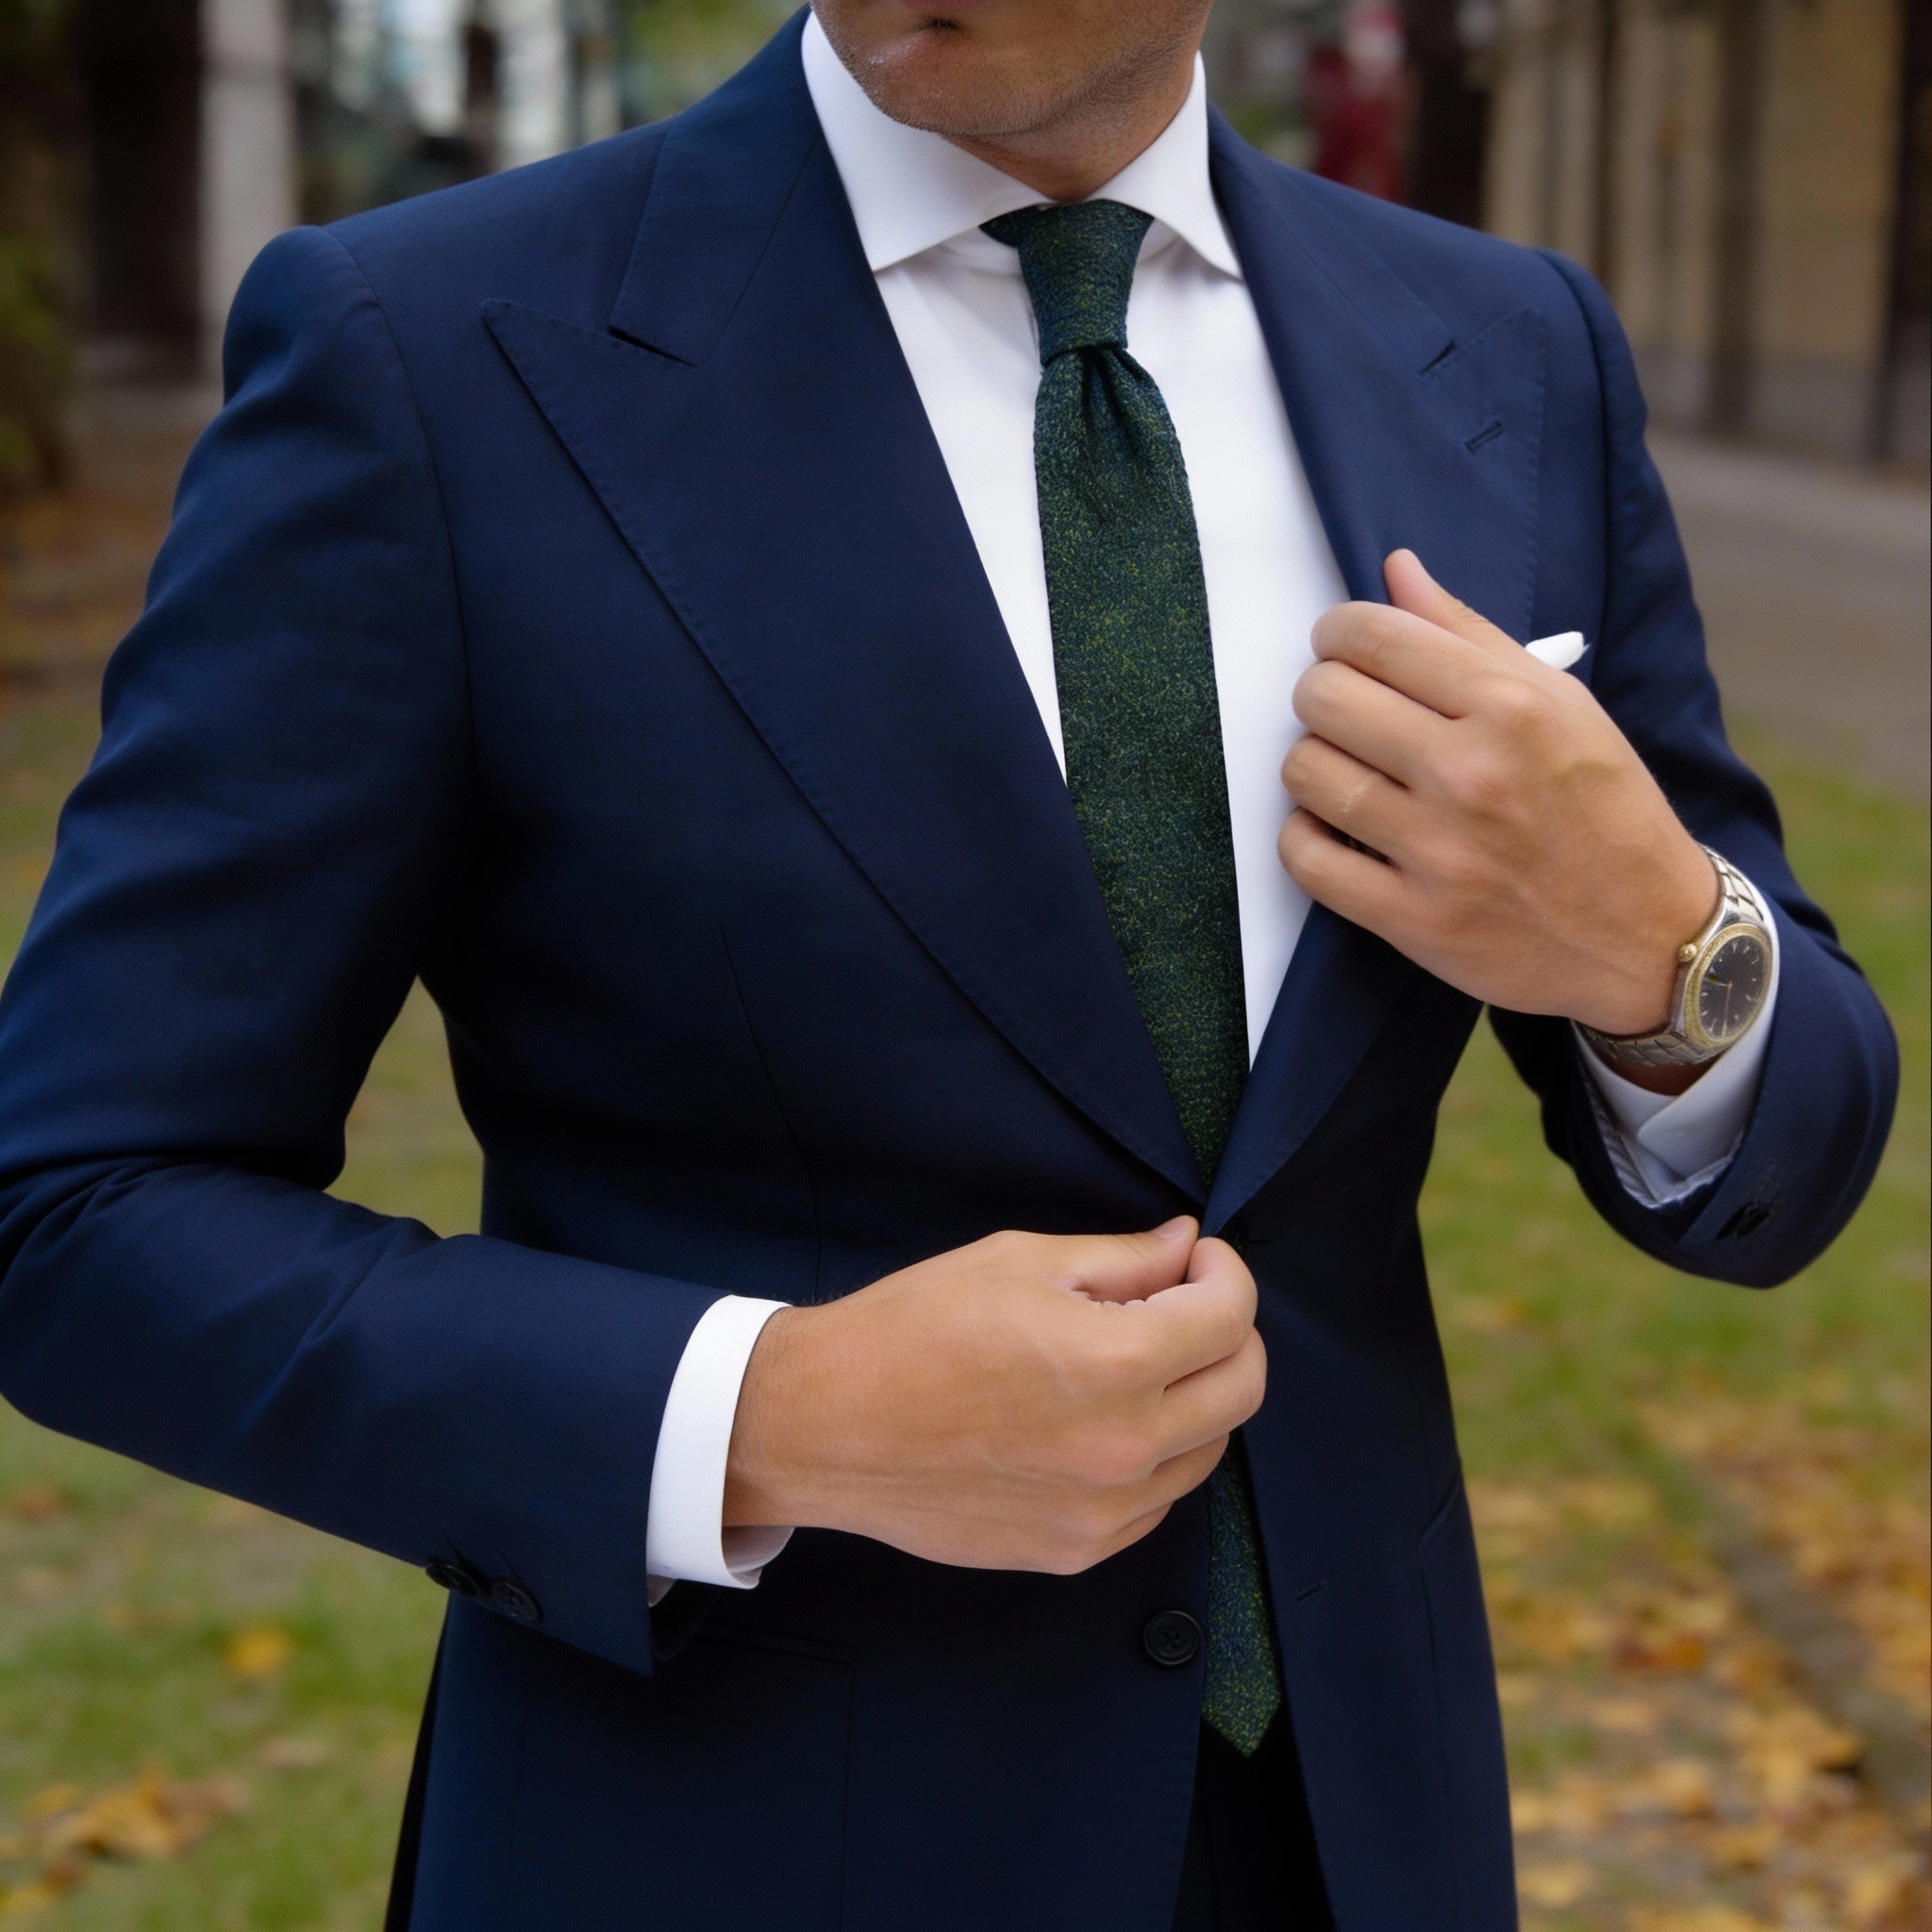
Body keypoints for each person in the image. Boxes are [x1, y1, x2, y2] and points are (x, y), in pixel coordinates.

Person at [0, 4, 1896, 1927]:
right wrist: (769, 1413)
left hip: (1358, 1826)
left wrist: (1659, 946)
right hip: (725, 1841)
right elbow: (77, 1206)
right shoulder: (425, 346)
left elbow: (1790, 1138)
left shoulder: (1505, 346)